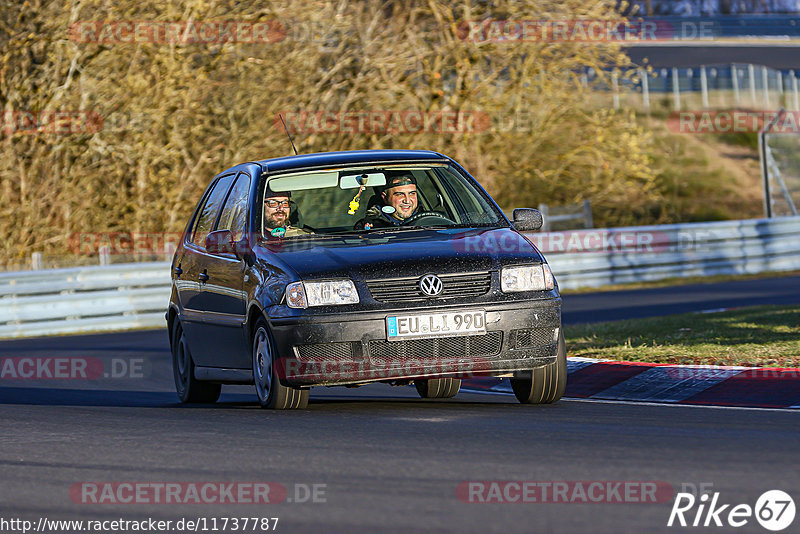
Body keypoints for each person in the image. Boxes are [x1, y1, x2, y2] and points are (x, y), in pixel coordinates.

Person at [354, 173, 420, 230]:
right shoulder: (369, 227)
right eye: (400, 194)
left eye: (412, 193)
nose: (407, 201)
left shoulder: (428, 221)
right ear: (385, 197)